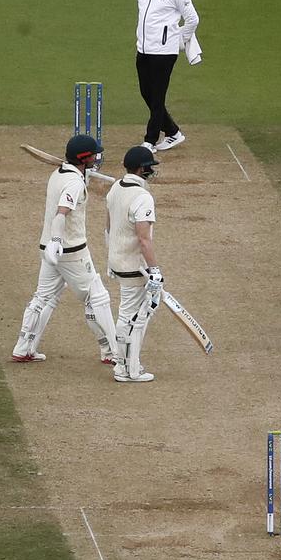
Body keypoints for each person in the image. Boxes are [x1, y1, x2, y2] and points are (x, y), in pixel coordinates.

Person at [10, 135, 121, 370]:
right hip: (70, 250)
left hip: (48, 248)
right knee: (97, 298)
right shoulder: (73, 182)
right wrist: (58, 240)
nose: (96, 157)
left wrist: (52, 242)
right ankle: (113, 352)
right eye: (93, 155)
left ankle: (24, 348)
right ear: (83, 158)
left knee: (44, 297)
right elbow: (62, 213)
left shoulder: (59, 174)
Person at [105, 146, 163, 383]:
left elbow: (108, 227)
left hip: (117, 260)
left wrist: (110, 257)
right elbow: (144, 239)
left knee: (131, 314)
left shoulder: (115, 188)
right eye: (149, 166)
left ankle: (125, 365)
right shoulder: (142, 197)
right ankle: (128, 369)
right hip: (134, 266)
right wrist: (155, 271)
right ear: (141, 168)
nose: (152, 170)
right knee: (133, 317)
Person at [135, 0, 200, 153]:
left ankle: (150, 140)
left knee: (157, 96)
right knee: (146, 92)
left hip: (164, 52)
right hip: (143, 48)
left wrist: (179, 39)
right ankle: (173, 132)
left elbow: (193, 19)